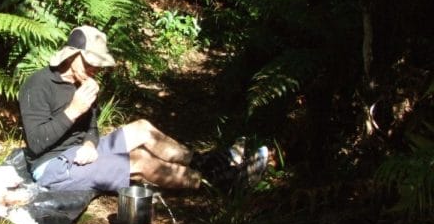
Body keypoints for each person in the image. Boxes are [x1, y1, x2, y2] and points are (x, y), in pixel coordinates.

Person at [18, 25, 268, 193]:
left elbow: (92, 128)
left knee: (143, 129)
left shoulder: (86, 84)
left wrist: (90, 144)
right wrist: (73, 110)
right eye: (91, 62)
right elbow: (37, 144)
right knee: (140, 160)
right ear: (71, 55)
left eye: (99, 65)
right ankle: (218, 183)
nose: (96, 70)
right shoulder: (38, 85)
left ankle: (210, 163)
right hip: (52, 166)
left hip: (82, 151)